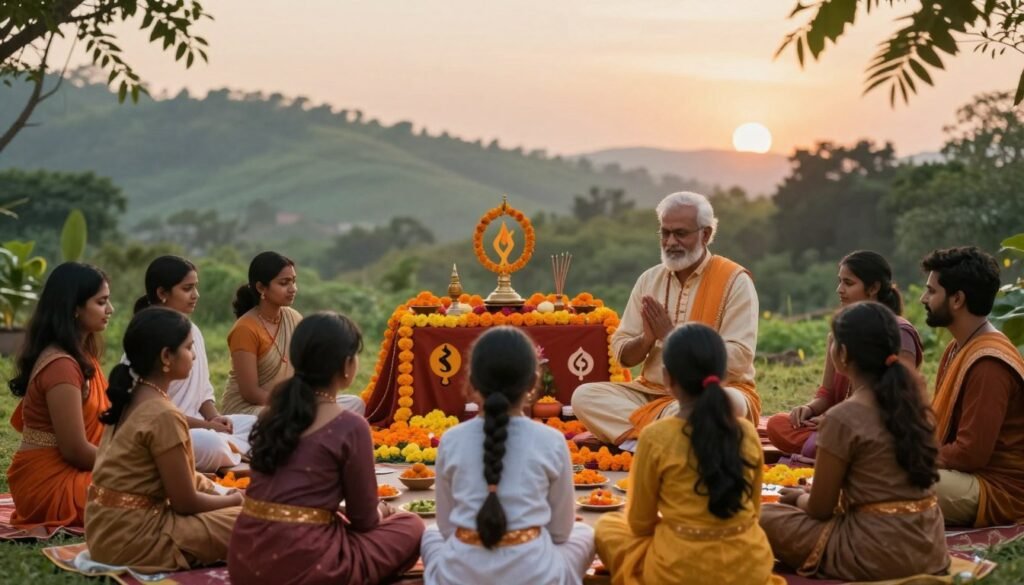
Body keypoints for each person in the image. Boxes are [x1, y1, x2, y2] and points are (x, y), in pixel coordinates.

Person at [229, 312, 423, 585]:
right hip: (308, 565)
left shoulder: (271, 414)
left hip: (245, 559)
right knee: (411, 525)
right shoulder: (350, 425)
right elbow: (364, 520)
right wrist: (386, 511)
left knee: (336, 522)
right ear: (347, 365)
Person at [760, 302, 948, 581]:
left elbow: (819, 509)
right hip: (928, 546)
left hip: (873, 551)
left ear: (843, 354)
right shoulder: (915, 406)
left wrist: (798, 498)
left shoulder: (842, 417)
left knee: (762, 516)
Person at [595, 324, 782, 585]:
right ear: (723, 378)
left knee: (608, 528)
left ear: (667, 378)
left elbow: (639, 524)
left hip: (679, 570)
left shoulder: (656, 437)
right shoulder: (746, 432)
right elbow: (752, 511)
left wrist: (679, 526)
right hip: (749, 566)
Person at [571, 192, 759, 451]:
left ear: (705, 234)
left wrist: (671, 336)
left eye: (680, 233)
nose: (670, 242)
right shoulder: (649, 280)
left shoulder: (735, 281)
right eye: (665, 233)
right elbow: (623, 354)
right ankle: (663, 438)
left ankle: (649, 438)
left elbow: (740, 357)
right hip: (652, 394)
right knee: (584, 396)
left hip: (713, 390)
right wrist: (647, 338)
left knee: (723, 404)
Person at [421, 327, 595, 585]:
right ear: (534, 382)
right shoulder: (552, 440)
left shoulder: (451, 440)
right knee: (584, 533)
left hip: (459, 576)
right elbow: (560, 533)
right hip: (535, 576)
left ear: (471, 381)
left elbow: (447, 529)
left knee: (432, 534)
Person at [85, 307, 242, 572]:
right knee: (255, 522)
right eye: (189, 348)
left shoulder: (131, 398)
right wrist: (233, 500)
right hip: (138, 540)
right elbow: (185, 503)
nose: (193, 355)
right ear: (166, 356)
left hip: (104, 533)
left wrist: (220, 491)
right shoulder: (163, 414)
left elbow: (184, 480)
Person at [766, 251, 924, 459]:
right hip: (838, 422)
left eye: (848, 283)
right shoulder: (840, 332)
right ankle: (832, 450)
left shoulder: (897, 332)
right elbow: (827, 394)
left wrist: (839, 422)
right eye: (839, 282)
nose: (839, 290)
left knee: (838, 441)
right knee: (777, 424)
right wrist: (809, 409)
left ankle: (832, 453)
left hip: (879, 426)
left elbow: (901, 399)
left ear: (874, 288)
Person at [921, 246, 1024, 527]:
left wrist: (915, 456)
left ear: (957, 299)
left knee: (894, 480)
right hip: (963, 475)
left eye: (931, 291)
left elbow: (971, 453)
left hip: (998, 489)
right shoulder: (957, 349)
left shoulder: (988, 362)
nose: (923, 298)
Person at [6, 262, 113, 531]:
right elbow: (75, 450)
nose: (110, 310)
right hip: (49, 484)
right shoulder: (62, 365)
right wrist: (130, 465)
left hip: (77, 471)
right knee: (145, 495)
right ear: (74, 308)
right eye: (101, 302)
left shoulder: (82, 356)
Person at [134, 255, 256, 472]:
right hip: (170, 432)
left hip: (202, 425)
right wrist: (208, 427)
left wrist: (215, 417)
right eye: (187, 288)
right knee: (211, 444)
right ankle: (239, 453)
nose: (195, 295)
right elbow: (154, 416)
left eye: (195, 287)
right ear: (162, 293)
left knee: (262, 425)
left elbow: (203, 392)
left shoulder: (193, 331)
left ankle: (237, 451)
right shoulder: (146, 336)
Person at [221, 251, 365, 417]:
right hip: (250, 410)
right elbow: (250, 393)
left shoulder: (293, 317)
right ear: (261, 287)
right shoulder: (245, 329)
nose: (292, 289)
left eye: (294, 282)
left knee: (354, 403)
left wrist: (308, 400)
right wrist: (291, 404)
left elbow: (306, 369)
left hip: (289, 402)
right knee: (290, 417)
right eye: (284, 283)